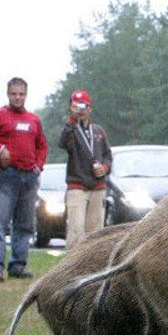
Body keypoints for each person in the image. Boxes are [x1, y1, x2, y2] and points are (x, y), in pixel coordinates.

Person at [0, 77, 48, 282]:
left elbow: (42, 145)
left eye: (21, 94)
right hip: (6, 176)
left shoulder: (34, 120)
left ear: (26, 95)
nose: (18, 97)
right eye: (14, 94)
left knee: (24, 224)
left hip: (29, 177)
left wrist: (38, 166)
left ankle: (18, 264)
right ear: (8, 94)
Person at [58, 89, 112, 250]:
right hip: (77, 186)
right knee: (76, 228)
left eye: (84, 106)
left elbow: (108, 155)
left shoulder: (99, 131)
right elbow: (62, 143)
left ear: (90, 108)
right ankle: (72, 267)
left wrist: (105, 168)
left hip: (98, 186)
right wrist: (72, 120)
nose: (81, 110)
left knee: (96, 231)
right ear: (71, 108)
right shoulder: (71, 129)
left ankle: (93, 267)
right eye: (76, 106)